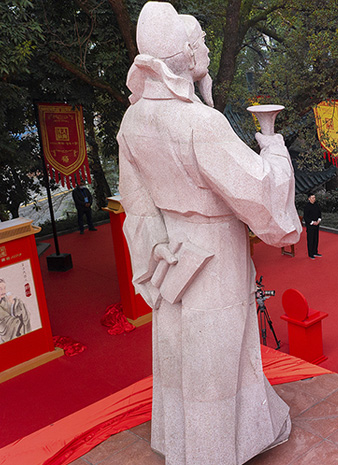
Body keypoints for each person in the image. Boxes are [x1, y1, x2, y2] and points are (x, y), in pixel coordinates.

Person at [118, 4, 297, 460]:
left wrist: (158, 249)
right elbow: (260, 193)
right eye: (198, 41)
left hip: (172, 249)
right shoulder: (199, 124)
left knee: (181, 353)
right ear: (182, 54)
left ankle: (182, 442)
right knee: (218, 358)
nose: (204, 47)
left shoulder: (133, 120)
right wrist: (272, 144)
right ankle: (215, 451)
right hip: (215, 249)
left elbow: (136, 207)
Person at [0, 278, 31, 344]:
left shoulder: (6, 300)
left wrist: (14, 303)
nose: (3, 291)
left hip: (15, 325)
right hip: (5, 329)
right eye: (0, 289)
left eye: (4, 288)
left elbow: (14, 310)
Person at [302, 193, 322, 258]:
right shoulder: (306, 206)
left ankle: (315, 252)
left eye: (314, 198)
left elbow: (319, 213)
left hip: (316, 225)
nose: (314, 199)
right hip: (310, 225)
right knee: (310, 240)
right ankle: (310, 254)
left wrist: (319, 220)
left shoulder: (317, 205)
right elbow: (305, 217)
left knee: (316, 239)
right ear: (309, 199)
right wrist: (312, 222)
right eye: (312, 198)